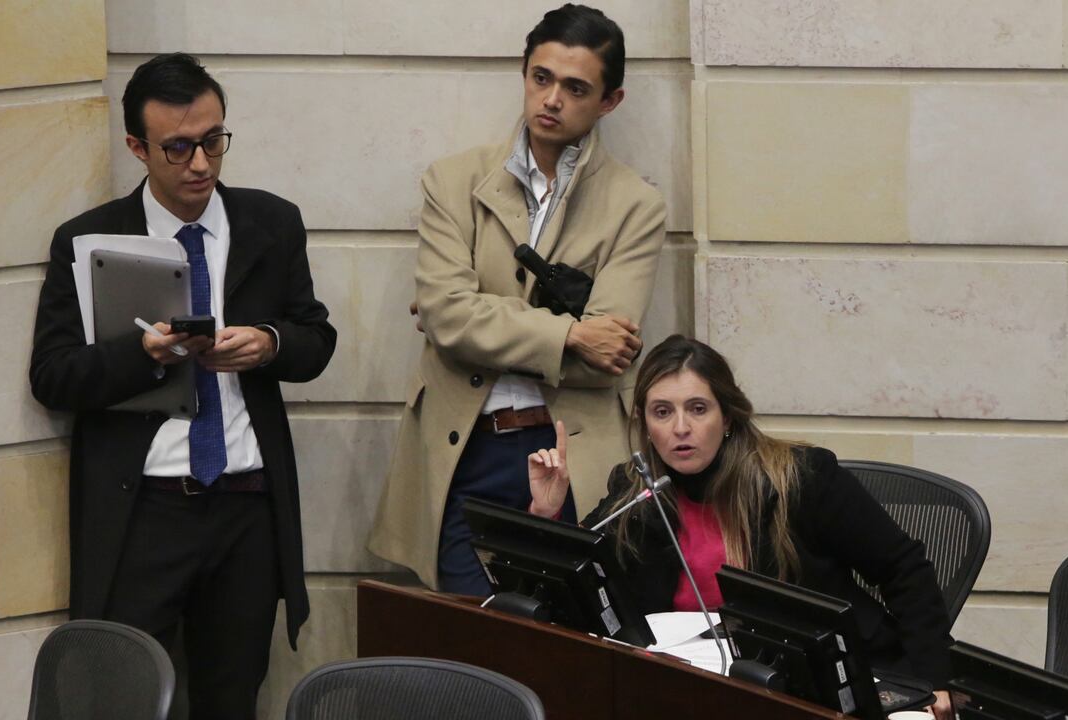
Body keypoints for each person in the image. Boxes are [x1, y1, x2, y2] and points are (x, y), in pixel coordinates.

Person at [28, 53, 337, 718]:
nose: (200, 164)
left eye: (213, 140)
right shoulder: (89, 240)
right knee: (125, 696)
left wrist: (268, 344)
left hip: (246, 503)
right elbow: (52, 376)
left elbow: (316, 341)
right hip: (147, 508)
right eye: (178, 147)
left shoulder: (270, 223)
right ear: (138, 147)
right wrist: (142, 354)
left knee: (233, 695)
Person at [369, 3, 668, 594]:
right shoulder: (453, 180)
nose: (551, 99)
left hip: (569, 452)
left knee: (561, 645)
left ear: (609, 102)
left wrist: (473, 321)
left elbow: (607, 356)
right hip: (466, 448)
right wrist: (569, 333)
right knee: (469, 647)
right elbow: (450, 315)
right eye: (541, 78)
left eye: (575, 87)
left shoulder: (636, 205)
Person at [528, 334, 955, 718]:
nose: (681, 428)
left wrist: (932, 679)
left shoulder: (801, 479)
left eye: (698, 409)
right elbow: (580, 585)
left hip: (813, 681)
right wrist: (546, 514)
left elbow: (905, 568)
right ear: (645, 424)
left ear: (728, 418)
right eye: (663, 412)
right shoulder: (637, 491)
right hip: (689, 683)